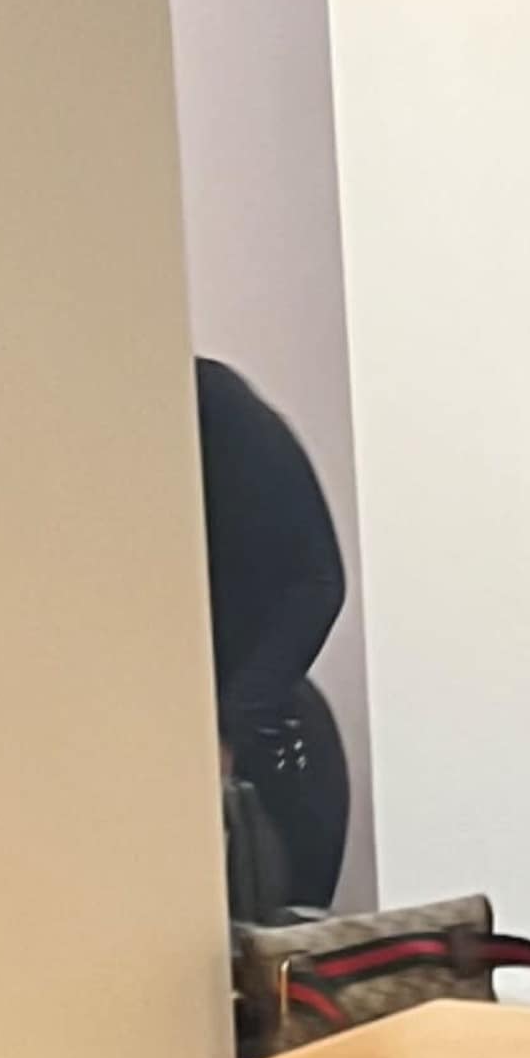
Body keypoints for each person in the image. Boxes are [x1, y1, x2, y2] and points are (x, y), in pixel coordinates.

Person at [194, 357, 351, 915]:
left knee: (277, 967)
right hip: (160, 743)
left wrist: (231, 725)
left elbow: (318, 581)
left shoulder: (211, 402)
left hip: (271, 747)